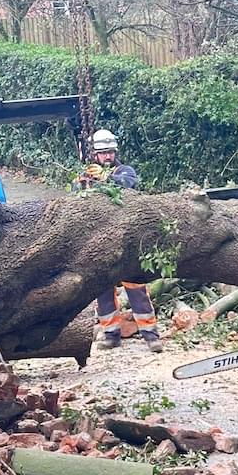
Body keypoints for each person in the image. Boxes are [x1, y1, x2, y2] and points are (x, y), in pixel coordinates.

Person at [75, 129, 160, 353]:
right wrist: (83, 182)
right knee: (102, 287)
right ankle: (111, 334)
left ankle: (150, 334)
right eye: (103, 154)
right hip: (99, 238)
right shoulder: (86, 174)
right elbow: (76, 200)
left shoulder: (125, 172)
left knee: (135, 285)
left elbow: (127, 185)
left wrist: (106, 178)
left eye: (110, 152)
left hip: (127, 237)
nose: (107, 157)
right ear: (95, 155)